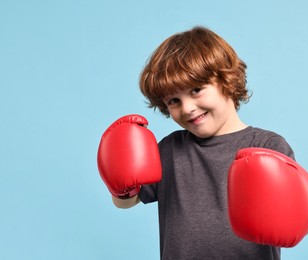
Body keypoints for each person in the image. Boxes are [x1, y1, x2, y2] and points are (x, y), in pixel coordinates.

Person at [106, 26, 295, 259]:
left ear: (226, 80)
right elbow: (126, 202)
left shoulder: (267, 145)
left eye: (196, 90)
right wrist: (120, 183)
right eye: (174, 100)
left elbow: (287, 218)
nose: (187, 108)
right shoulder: (170, 149)